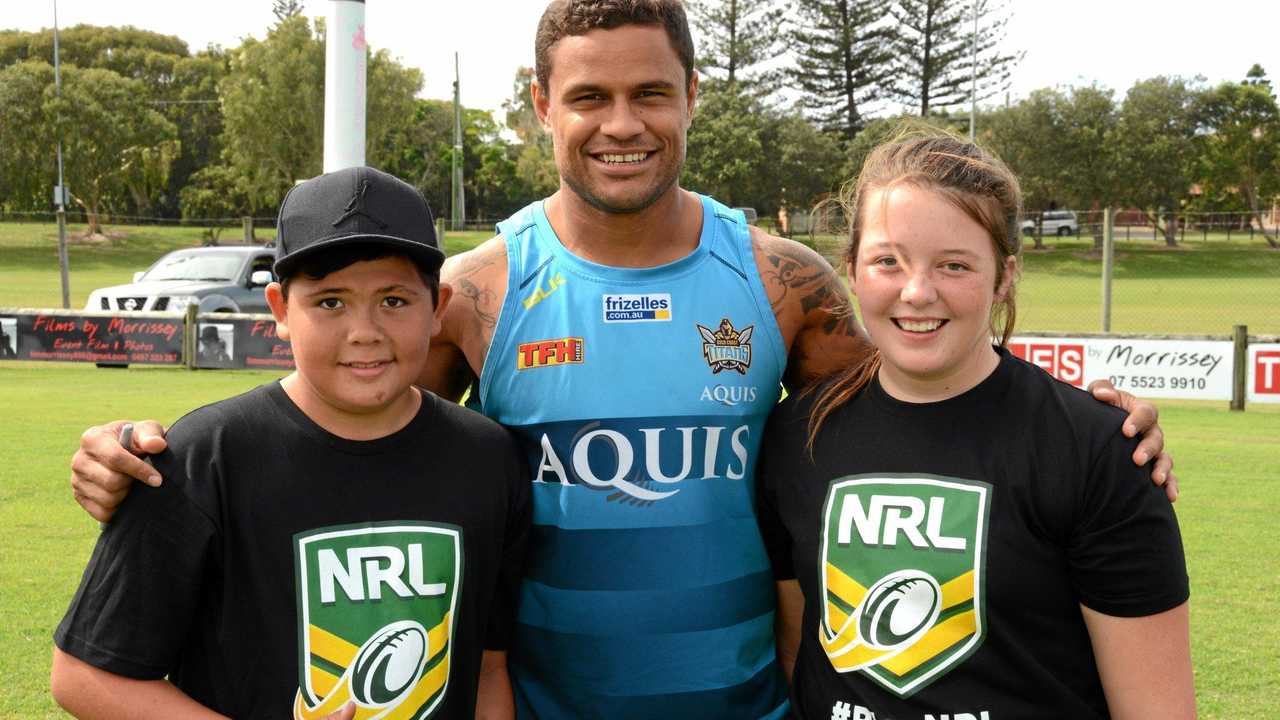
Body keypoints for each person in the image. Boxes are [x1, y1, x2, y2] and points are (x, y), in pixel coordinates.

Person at [65, 2, 1174, 717]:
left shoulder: (781, 278)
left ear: (692, 97)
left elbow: (923, 387)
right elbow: (348, 440)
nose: (620, 122)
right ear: (540, 108)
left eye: (650, 91)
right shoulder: (473, 293)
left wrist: (1090, 425)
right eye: (588, 96)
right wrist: (138, 452)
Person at [51, 167, 531, 719]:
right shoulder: (206, 456)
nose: (364, 331)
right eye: (330, 302)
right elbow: (85, 674)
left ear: (438, 306)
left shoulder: (488, 457)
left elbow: (488, 669)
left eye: (395, 300)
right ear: (280, 310)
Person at [756, 131, 1193, 719]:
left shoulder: (1096, 449)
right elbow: (797, 651)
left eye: (954, 264)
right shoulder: (795, 436)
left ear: (1004, 277)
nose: (916, 292)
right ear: (852, 271)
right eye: (888, 261)